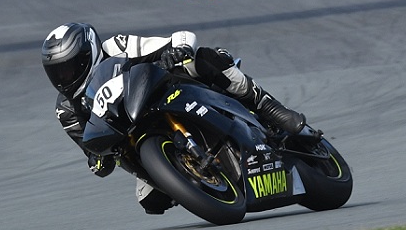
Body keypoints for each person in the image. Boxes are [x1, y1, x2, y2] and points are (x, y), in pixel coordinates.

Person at [40, 22, 311, 214]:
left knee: (204, 59)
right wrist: (98, 160)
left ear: (89, 53)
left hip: (166, 93)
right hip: (135, 139)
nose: (64, 78)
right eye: (57, 72)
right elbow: (91, 151)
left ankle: (268, 107)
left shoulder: (116, 46)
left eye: (69, 68)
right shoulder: (66, 110)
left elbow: (181, 37)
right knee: (150, 201)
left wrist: (177, 50)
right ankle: (196, 178)